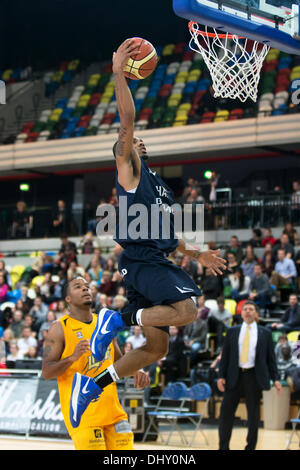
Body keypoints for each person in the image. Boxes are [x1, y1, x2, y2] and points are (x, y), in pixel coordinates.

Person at [66, 39, 226, 426]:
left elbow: (170, 236)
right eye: (129, 142)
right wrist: (119, 74)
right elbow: (126, 121)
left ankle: (93, 384)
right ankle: (117, 321)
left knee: (157, 346)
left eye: (136, 142)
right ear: (123, 151)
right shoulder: (130, 172)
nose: (136, 141)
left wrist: (197, 254)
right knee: (188, 310)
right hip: (141, 259)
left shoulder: (160, 187)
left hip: (149, 259)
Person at [42, 276, 149, 449]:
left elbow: (119, 361)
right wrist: (72, 358)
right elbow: (47, 372)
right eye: (78, 287)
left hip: (114, 411)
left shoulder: (105, 322)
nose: (85, 289)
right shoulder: (59, 328)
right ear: (67, 299)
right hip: (84, 415)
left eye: (86, 286)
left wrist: (136, 370)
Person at [217, 300, 281, 450]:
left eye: (251, 309)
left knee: (253, 416)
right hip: (234, 376)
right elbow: (225, 356)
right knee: (226, 414)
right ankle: (223, 447)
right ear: (241, 313)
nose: (247, 311)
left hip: (254, 377)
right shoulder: (232, 331)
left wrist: (275, 379)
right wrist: (221, 376)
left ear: (256, 314)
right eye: (245, 309)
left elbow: (271, 359)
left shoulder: (265, 333)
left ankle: (250, 447)